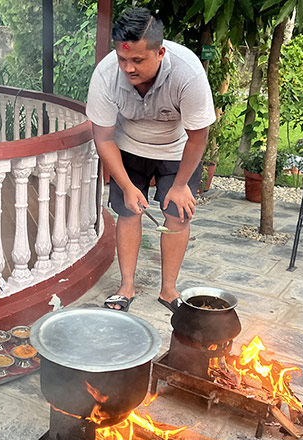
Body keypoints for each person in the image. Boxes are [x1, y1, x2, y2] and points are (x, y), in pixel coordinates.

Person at [86, 7, 215, 313]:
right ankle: (126, 286)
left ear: (160, 52)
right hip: (127, 147)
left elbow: (198, 136)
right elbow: (103, 138)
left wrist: (181, 185)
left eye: (138, 60)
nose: (128, 68)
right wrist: (127, 186)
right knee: (128, 212)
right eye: (122, 58)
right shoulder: (106, 75)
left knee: (177, 215)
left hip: (176, 150)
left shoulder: (187, 72)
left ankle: (169, 290)